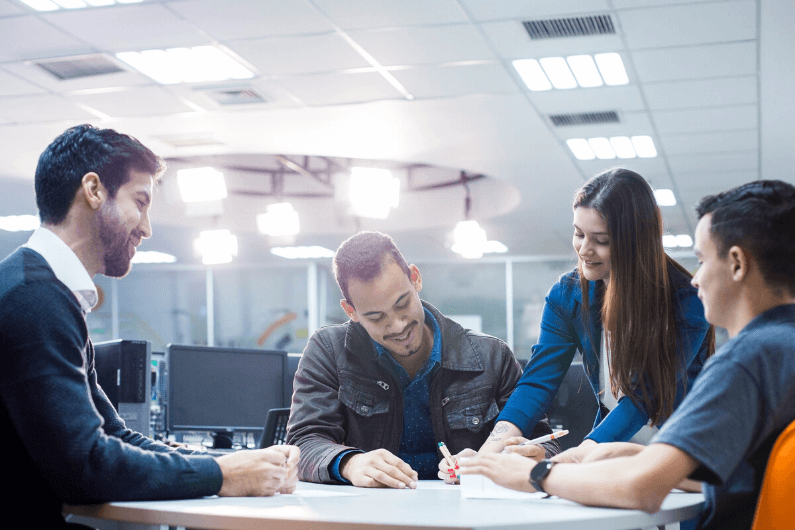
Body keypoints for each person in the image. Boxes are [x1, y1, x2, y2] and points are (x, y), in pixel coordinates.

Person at [0, 124, 299, 529]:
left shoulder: (47, 289)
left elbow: (115, 436)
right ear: (93, 191)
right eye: (140, 203)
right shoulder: (33, 297)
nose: (147, 228)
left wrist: (228, 463)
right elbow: (85, 466)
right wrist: (223, 477)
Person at [456, 179, 795, 530]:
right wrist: (493, 450)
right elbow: (745, 472)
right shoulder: (780, 346)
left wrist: (540, 472)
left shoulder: (743, 358)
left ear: (737, 263)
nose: (696, 279)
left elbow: (643, 481)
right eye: (579, 235)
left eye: (701, 261)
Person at [286, 231, 559, 488]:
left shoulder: (492, 357)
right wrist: (350, 463)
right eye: (376, 317)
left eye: (402, 303)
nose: (397, 325)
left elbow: (544, 443)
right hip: (371, 515)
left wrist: (522, 458)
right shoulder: (328, 351)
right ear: (351, 311)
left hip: (469, 515)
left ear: (415, 278)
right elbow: (303, 443)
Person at [479, 168, 714, 458]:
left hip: (683, 452)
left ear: (635, 242)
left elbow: (645, 396)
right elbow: (538, 381)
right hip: (610, 447)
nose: (584, 250)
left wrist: (581, 454)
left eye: (601, 240)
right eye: (579, 234)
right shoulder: (567, 296)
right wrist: (489, 451)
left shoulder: (686, 300)